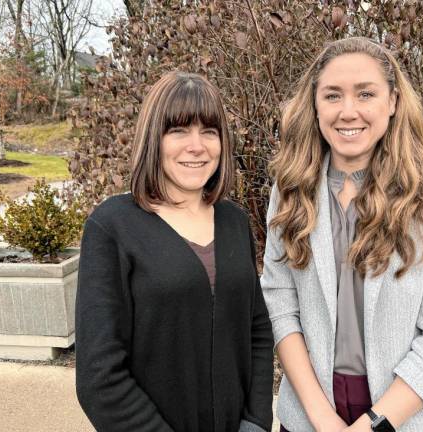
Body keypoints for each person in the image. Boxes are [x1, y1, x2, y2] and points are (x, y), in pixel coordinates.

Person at [261, 37, 423, 432]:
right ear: (315, 104)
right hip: (309, 415)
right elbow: (280, 304)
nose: (348, 111)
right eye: (333, 95)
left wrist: (372, 425)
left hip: (404, 417)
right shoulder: (289, 191)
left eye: (366, 94)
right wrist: (322, 418)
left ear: (392, 102)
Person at [75, 71, 274, 432]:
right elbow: (99, 376)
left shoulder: (233, 222)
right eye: (179, 130)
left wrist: (256, 420)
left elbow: (257, 328)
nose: (196, 146)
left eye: (209, 131)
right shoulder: (113, 227)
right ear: (155, 138)